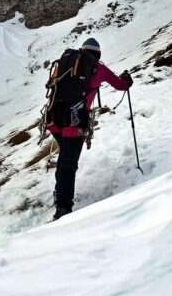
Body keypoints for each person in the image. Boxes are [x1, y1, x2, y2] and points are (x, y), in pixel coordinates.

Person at [45, 38, 132, 220]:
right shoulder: (98, 68)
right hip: (74, 121)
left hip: (54, 117)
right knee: (69, 161)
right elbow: (120, 85)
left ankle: (59, 192)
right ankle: (63, 208)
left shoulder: (66, 62)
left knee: (64, 157)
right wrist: (127, 80)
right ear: (97, 54)